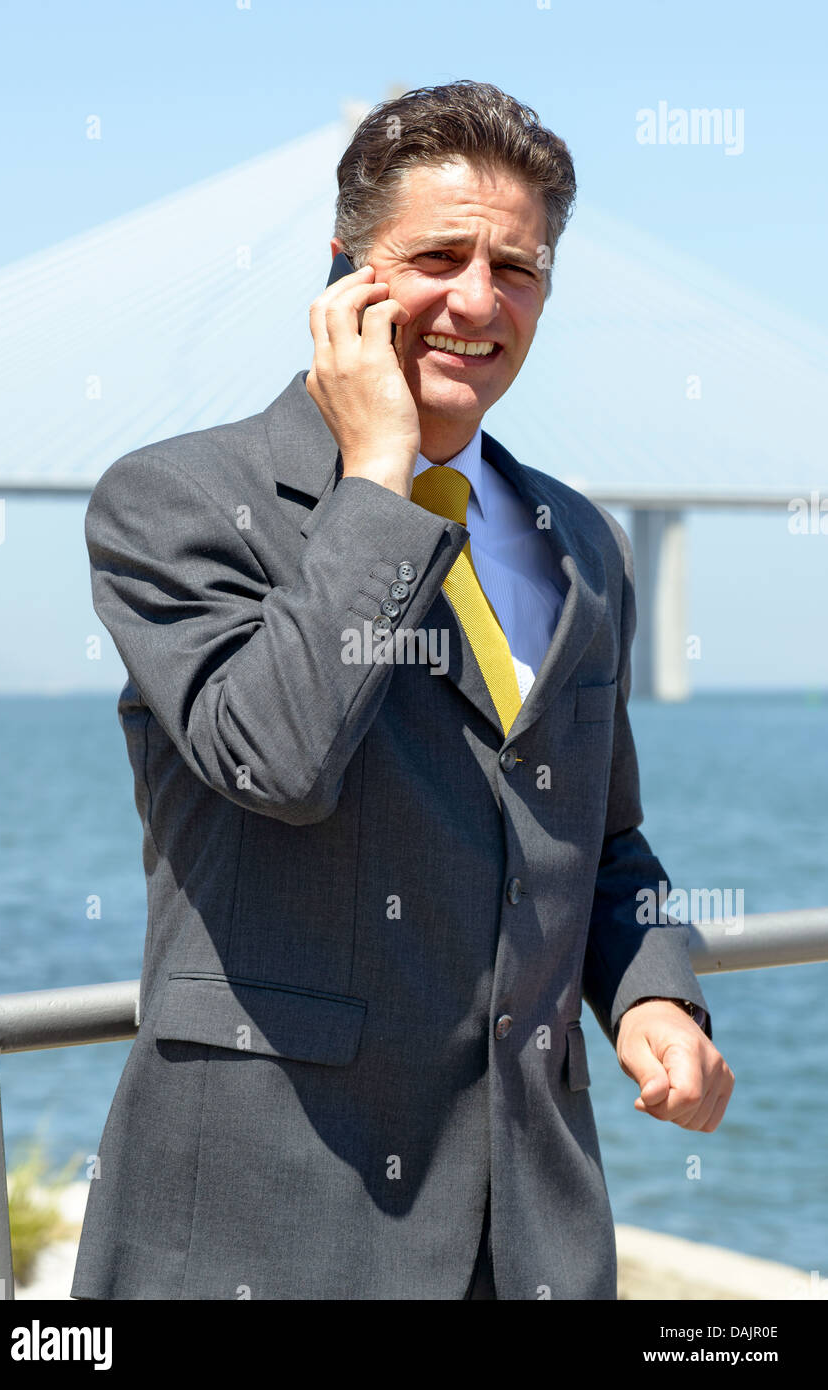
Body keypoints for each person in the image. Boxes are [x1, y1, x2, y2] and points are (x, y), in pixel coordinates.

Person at [70, 79, 734, 1302]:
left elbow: (602, 840)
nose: (478, 301)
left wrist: (652, 995)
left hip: (528, 1234)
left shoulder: (582, 543)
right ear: (343, 273)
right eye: (438, 255)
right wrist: (380, 479)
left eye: (517, 268)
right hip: (261, 1232)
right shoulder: (169, 502)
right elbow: (278, 758)